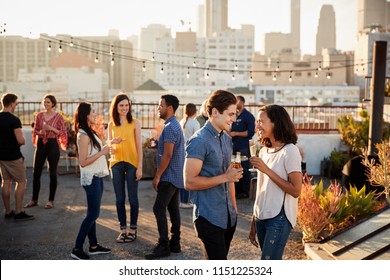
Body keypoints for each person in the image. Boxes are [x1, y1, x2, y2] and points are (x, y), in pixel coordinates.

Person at [184, 89, 243, 260]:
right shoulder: (198, 141)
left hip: (228, 217)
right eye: (230, 114)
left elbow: (229, 176)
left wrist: (234, 208)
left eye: (235, 114)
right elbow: (189, 182)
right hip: (208, 218)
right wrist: (225, 177)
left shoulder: (226, 138)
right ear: (215, 112)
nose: (234, 119)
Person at [249, 104, 302, 260]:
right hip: (261, 216)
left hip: (279, 217)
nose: (257, 125)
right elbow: (261, 188)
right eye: (257, 121)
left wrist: (267, 170)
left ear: (276, 123)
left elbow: (296, 190)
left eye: (261, 121)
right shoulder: (264, 150)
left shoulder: (290, 151)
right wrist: (254, 217)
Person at [70, 102, 120, 260]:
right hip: (90, 178)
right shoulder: (83, 135)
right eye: (92, 112)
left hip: (97, 176)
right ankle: (77, 248)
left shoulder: (89, 131)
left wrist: (110, 144)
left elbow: (97, 149)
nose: (95, 114)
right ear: (86, 115)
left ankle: (93, 245)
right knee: (93, 214)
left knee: (92, 213)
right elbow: (83, 162)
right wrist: (104, 152)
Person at [145, 94, 185, 260]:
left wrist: (157, 176)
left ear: (169, 108)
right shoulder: (176, 125)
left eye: (160, 105)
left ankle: (164, 245)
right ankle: (175, 243)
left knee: (158, 208)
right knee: (173, 209)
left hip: (168, 176)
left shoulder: (169, 128)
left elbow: (167, 155)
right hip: (176, 175)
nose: (158, 108)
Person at [108, 93, 142, 243]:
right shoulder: (110, 124)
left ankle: (133, 230)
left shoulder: (135, 122)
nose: (124, 108)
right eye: (121, 105)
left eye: (127, 105)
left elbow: (139, 147)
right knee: (119, 199)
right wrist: (112, 147)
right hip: (115, 163)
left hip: (132, 163)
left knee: (133, 198)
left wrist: (140, 166)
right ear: (116, 107)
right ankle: (123, 230)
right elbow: (109, 146)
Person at [25, 94, 67, 209]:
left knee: (52, 173)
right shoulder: (39, 116)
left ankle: (50, 200)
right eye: (44, 102)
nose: (45, 104)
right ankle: (34, 199)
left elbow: (62, 132)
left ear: (53, 103)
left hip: (53, 144)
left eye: (48, 102)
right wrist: (39, 133)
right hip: (41, 145)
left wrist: (50, 129)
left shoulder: (58, 117)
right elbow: (36, 130)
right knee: (36, 172)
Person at [0, 93, 34, 221]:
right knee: (21, 182)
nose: (16, 106)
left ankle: (8, 211)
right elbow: (21, 140)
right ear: (12, 103)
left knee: (6, 182)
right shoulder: (14, 120)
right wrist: (24, 139)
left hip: (1, 157)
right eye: (16, 103)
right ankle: (19, 212)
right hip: (13, 156)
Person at [228, 95, 255, 199]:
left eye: (237, 102)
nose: (235, 103)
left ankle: (245, 192)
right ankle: (236, 191)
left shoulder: (248, 116)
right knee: (235, 168)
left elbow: (250, 132)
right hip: (233, 147)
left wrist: (235, 133)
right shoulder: (235, 115)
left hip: (243, 147)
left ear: (242, 103)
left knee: (244, 169)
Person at [179, 103, 200, 208]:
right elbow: (198, 139)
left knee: (183, 177)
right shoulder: (195, 123)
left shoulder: (181, 122)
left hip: (180, 151)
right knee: (190, 177)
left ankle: (182, 200)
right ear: (195, 111)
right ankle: (187, 201)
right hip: (191, 152)